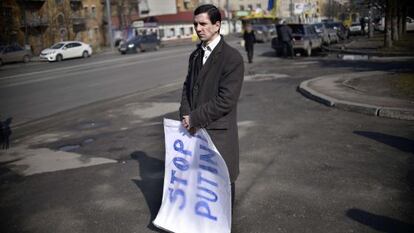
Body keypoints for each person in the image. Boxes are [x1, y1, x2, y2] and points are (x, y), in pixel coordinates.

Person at [179, 4, 244, 209]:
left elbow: (226, 100)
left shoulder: (231, 58)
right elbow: (187, 88)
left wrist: (195, 118)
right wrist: (185, 115)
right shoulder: (195, 55)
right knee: (200, 190)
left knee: (221, 192)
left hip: (219, 135)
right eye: (195, 24)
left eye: (203, 24)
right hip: (196, 133)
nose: (198, 29)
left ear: (217, 25)